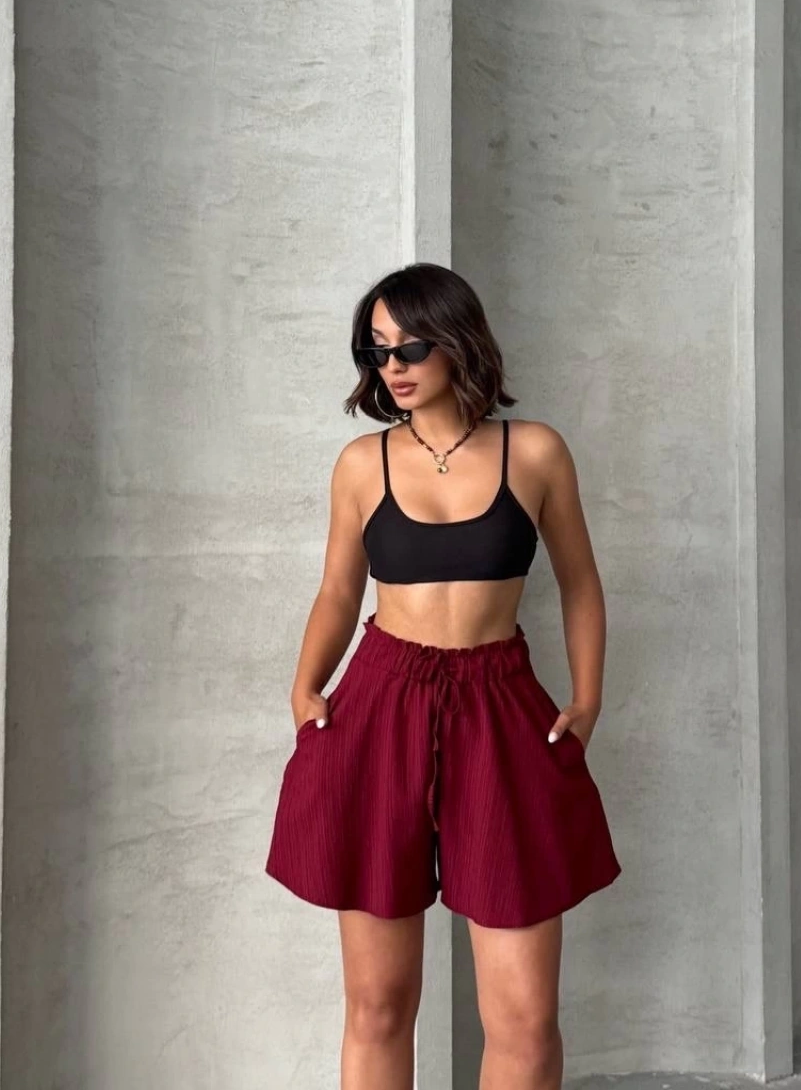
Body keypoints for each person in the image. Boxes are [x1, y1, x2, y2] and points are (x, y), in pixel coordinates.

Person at [265, 261, 621, 1089]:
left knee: (525, 1021)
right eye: (376, 348)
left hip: (500, 703)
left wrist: (589, 697)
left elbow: (580, 582)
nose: (392, 364)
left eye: (411, 344)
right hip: (379, 702)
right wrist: (304, 686)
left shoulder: (535, 451)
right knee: (378, 1005)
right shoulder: (363, 464)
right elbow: (338, 590)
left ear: (457, 339)